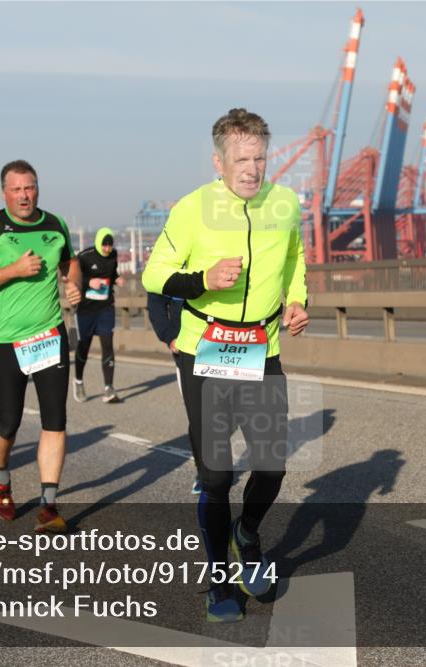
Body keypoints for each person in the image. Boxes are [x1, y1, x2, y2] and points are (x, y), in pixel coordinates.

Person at [142, 108, 309, 622]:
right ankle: (218, 579)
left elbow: (293, 259)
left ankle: (248, 532)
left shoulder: (284, 204)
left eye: (260, 157)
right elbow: (155, 275)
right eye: (242, 159)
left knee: (273, 463)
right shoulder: (193, 209)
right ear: (219, 161)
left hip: (262, 346)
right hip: (206, 349)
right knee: (215, 475)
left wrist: (298, 299)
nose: (252, 169)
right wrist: (203, 279)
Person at [0, 159, 82, 534]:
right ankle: (0, 476)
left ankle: (48, 504)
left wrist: (72, 282)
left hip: (48, 336)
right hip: (6, 342)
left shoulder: (55, 224)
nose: (25, 195)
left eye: (30, 187)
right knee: (8, 422)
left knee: (55, 420)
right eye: (17, 189)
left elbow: (69, 262)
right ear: (5, 192)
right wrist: (12, 270)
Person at [146, 291, 201, 493]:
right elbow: (155, 303)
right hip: (186, 350)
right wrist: (170, 337)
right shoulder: (172, 260)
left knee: (229, 416)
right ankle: (204, 471)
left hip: (228, 345)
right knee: (198, 416)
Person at [73, 227, 124, 404]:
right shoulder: (85, 257)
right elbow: (73, 278)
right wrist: (89, 282)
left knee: (108, 345)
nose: (107, 248)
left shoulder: (113, 256)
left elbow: (113, 272)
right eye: (104, 245)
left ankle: (109, 388)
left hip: (105, 308)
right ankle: (78, 381)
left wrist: (117, 279)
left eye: (110, 245)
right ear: (98, 242)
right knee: (84, 347)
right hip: (86, 310)